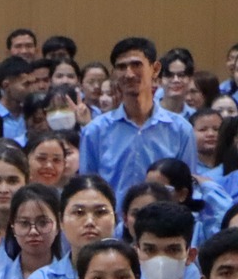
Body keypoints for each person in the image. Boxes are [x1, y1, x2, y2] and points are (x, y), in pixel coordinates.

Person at [80, 37, 193, 193]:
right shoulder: (95, 131)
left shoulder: (181, 130)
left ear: (156, 69)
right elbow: (87, 190)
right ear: (113, 74)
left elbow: (187, 190)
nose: (129, 74)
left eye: (136, 65)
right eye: (121, 67)